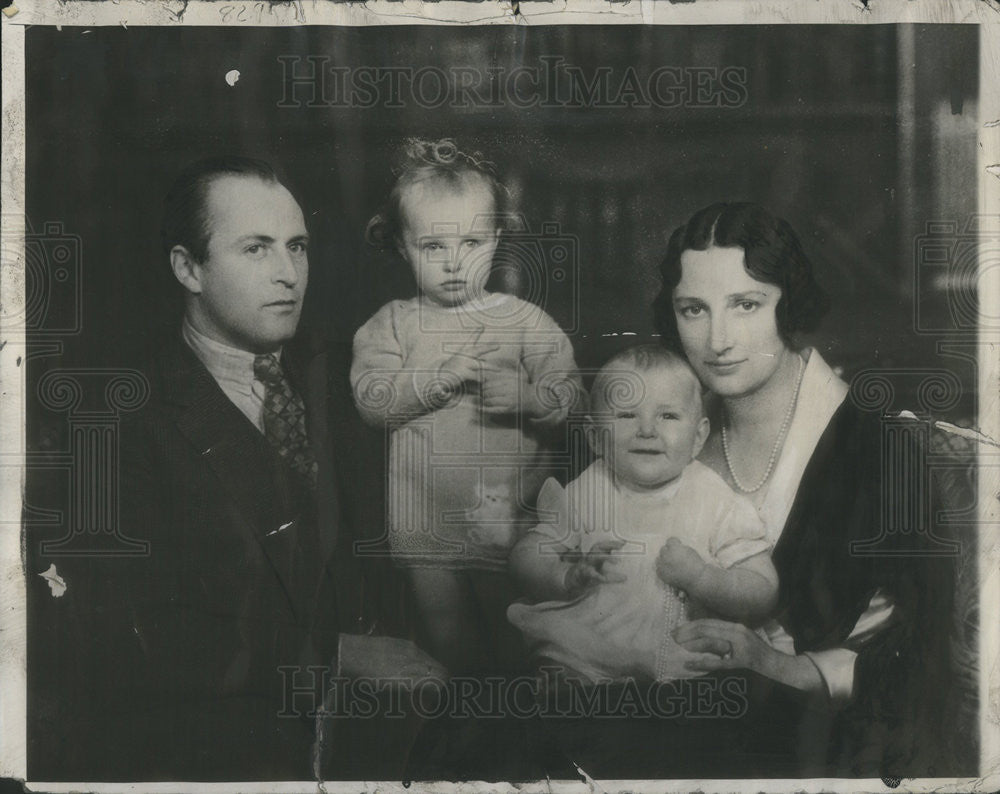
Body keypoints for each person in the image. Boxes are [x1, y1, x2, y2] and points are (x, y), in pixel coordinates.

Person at [34, 156, 445, 781]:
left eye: (297, 247)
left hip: (387, 741)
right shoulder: (118, 419)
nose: (288, 275)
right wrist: (336, 658)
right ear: (188, 268)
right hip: (219, 753)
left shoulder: (349, 378)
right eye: (256, 249)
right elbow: (133, 632)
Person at [646, 201, 956, 775]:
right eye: (694, 309)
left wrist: (773, 664)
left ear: (789, 303)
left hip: (825, 751)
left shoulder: (878, 448)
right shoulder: (665, 433)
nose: (718, 339)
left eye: (745, 305)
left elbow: (920, 655)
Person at [350, 139, 582, 676]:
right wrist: (437, 376)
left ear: (498, 241)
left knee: (520, 634)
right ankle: (466, 729)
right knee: (449, 646)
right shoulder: (392, 324)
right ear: (403, 247)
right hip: (422, 526)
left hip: (513, 521)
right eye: (433, 247)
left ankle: (517, 730)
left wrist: (530, 399)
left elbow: (573, 398)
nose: (455, 262)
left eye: (472, 242)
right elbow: (371, 399)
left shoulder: (523, 321)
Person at [507, 345, 779, 683]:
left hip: (683, 648)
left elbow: (763, 589)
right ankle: (567, 695)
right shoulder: (588, 490)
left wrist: (702, 578)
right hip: (595, 643)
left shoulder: (715, 498)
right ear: (595, 437)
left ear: (697, 438)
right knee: (557, 656)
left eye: (668, 416)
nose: (647, 429)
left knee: (719, 675)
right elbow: (524, 556)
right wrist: (565, 577)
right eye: (626, 415)